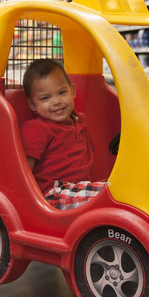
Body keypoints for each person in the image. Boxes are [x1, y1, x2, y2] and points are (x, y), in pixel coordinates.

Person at [19, 59, 105, 210]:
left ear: (72, 90)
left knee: (119, 188)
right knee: (109, 196)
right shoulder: (36, 129)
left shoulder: (77, 122)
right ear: (32, 104)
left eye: (62, 92)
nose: (56, 101)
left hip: (78, 189)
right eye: (45, 98)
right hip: (53, 194)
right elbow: (23, 171)